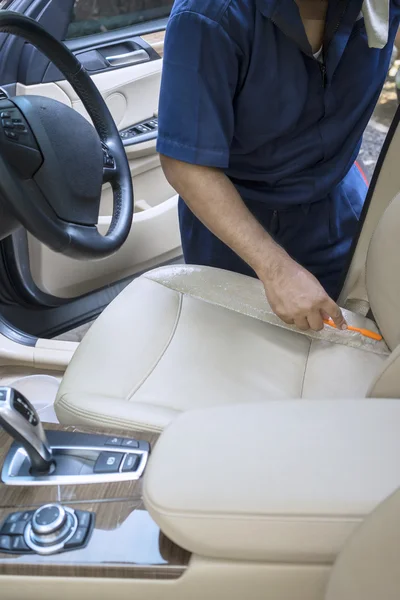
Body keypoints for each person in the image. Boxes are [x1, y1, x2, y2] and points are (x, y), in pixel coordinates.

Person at [157, 0, 400, 332]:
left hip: (339, 197)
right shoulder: (209, 16)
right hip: (241, 221)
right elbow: (186, 163)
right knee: (244, 353)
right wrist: (275, 269)